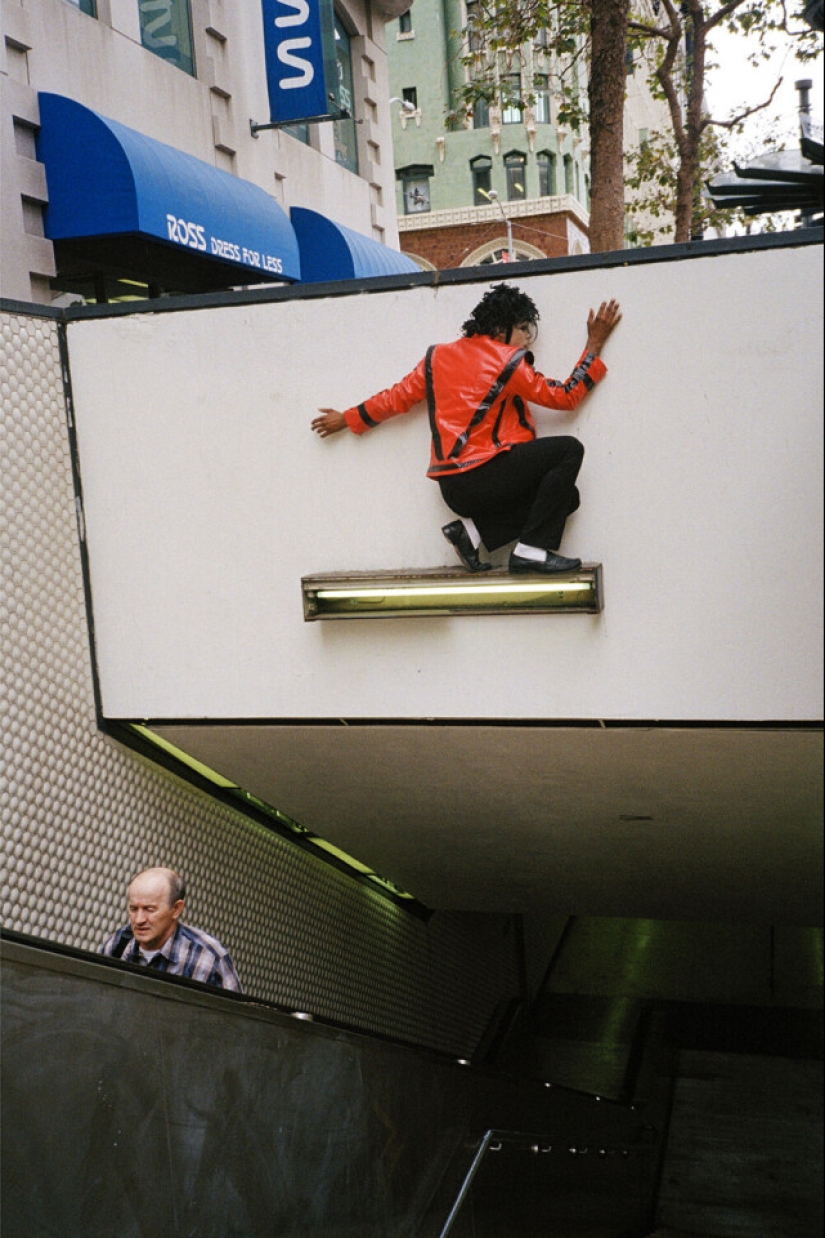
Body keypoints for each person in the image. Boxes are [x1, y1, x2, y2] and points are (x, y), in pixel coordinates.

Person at [312, 283, 621, 575]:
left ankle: (470, 533)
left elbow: (397, 397)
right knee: (569, 450)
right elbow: (564, 396)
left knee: (567, 499)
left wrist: (347, 418)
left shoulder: (437, 357)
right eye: (524, 328)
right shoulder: (507, 360)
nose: (527, 338)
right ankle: (530, 551)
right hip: (484, 475)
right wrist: (593, 345)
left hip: (454, 489)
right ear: (501, 329)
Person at [100, 866, 242, 991]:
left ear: (176, 909)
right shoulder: (118, 943)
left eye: (149, 910)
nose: (139, 919)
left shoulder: (207, 956)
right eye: (133, 909)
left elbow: (236, 1017)